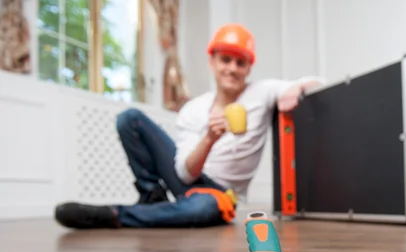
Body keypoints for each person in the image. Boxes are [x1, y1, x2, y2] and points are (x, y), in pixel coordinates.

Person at [54, 23, 325, 229]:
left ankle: (116, 215)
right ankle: (152, 198)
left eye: (240, 62)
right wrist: (209, 139)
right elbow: (184, 174)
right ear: (212, 62)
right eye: (225, 60)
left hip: (221, 194)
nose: (232, 68)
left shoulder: (263, 92)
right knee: (130, 118)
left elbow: (316, 82)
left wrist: (296, 88)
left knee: (202, 209)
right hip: (189, 180)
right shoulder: (194, 110)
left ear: (248, 68)